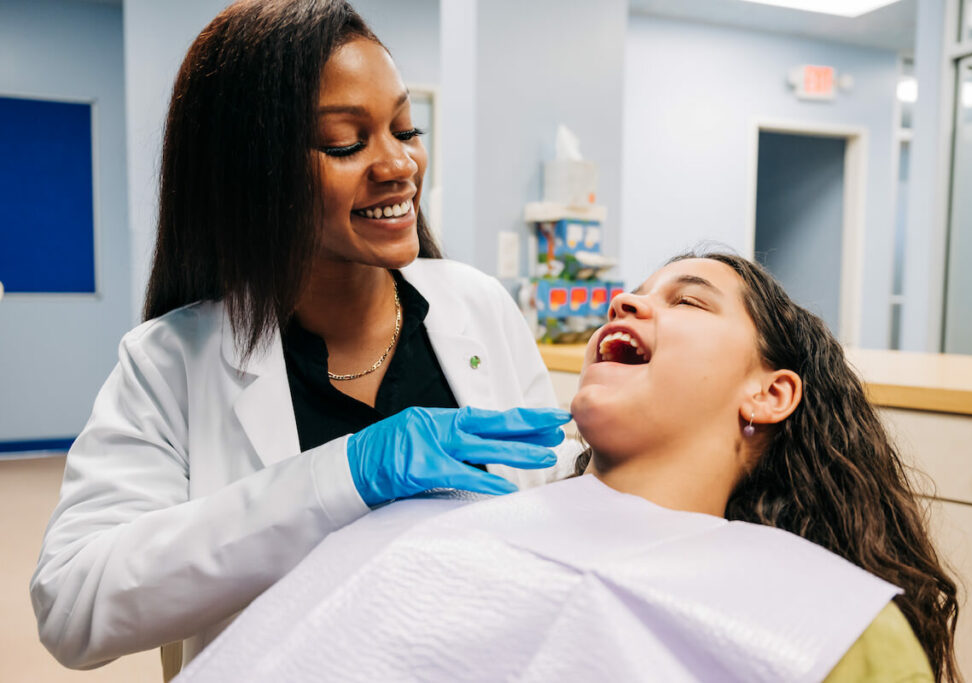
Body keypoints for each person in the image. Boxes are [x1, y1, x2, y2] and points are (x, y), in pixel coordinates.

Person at [30, 0, 575, 674]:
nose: (399, 163)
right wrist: (342, 477)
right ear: (251, 169)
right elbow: (72, 604)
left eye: (406, 128)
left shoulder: (479, 306)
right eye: (346, 142)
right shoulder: (170, 362)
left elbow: (550, 497)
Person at [177, 251, 960, 683]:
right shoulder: (420, 533)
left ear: (770, 392)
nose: (625, 303)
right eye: (634, 293)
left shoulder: (835, 630)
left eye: (688, 301)